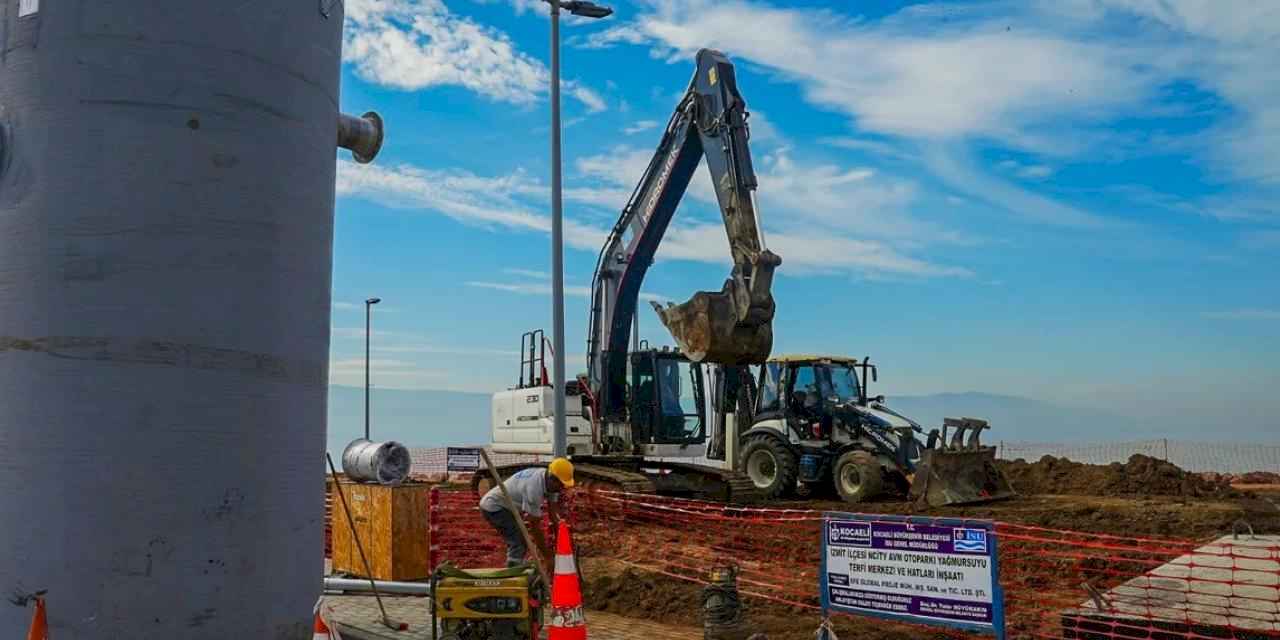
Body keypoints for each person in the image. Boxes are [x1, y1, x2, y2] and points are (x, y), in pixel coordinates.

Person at [479, 457, 575, 567]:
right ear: (552, 479)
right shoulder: (534, 489)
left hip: (510, 506)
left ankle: (517, 563)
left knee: (521, 539)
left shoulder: (549, 481)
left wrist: (562, 540)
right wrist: (548, 557)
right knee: (519, 541)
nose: (562, 488)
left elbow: (553, 513)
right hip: (494, 507)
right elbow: (534, 527)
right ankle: (514, 571)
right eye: (561, 484)